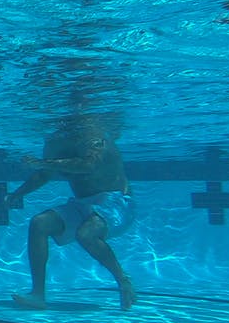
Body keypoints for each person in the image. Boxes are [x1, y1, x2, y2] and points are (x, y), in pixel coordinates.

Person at [7, 120, 137, 310]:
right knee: (39, 223)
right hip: (84, 204)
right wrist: (18, 193)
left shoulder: (94, 137)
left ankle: (122, 280)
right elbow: (44, 174)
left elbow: (88, 165)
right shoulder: (55, 141)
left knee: (86, 234)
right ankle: (38, 294)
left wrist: (43, 163)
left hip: (116, 202)